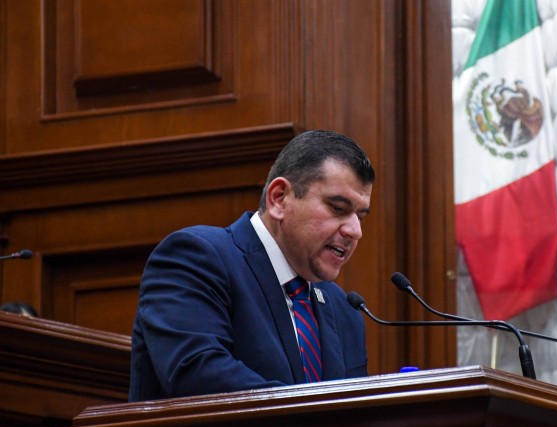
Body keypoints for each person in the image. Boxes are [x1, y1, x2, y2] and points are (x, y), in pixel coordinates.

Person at [128, 130, 374, 401]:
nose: (355, 231)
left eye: (360, 217)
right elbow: (197, 375)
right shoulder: (196, 258)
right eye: (338, 208)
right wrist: (313, 415)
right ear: (279, 198)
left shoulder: (344, 310)